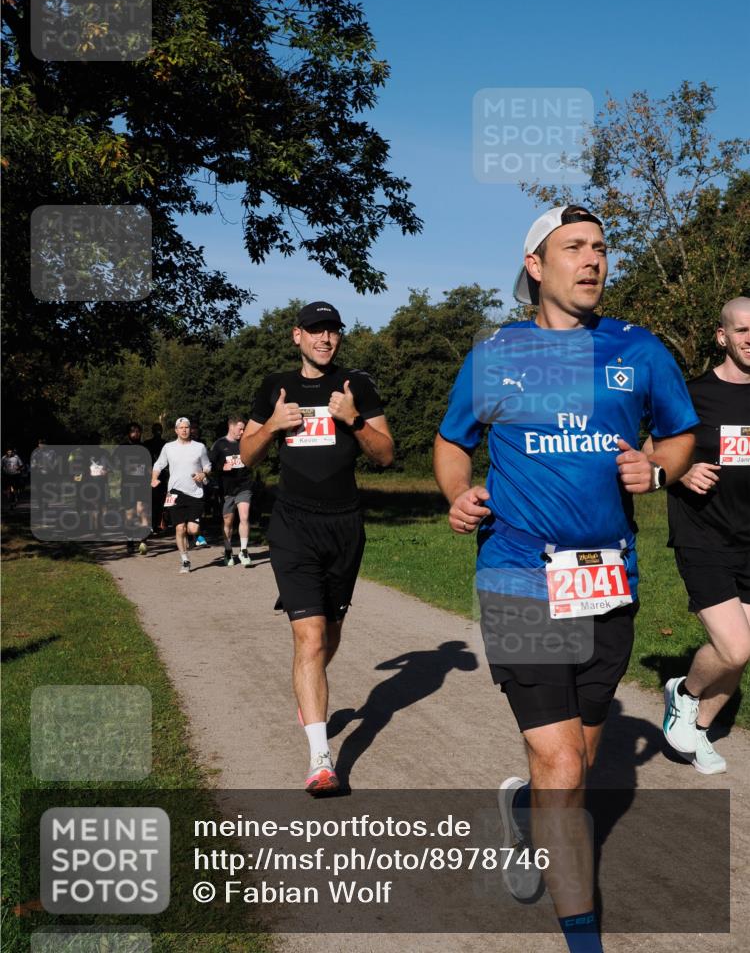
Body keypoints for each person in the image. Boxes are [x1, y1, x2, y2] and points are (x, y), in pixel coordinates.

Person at [433, 205, 697, 953]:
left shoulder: (638, 350)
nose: (593, 260)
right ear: (535, 267)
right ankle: (584, 942)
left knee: (574, 762)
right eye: (573, 248)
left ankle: (526, 818)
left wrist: (660, 466)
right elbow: (453, 441)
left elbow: (677, 433)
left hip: (608, 579)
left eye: (601, 248)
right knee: (556, 758)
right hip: (517, 574)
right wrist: (457, 491)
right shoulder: (495, 354)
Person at [240, 301, 394, 794]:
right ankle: (320, 758)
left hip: (344, 526)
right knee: (308, 640)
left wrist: (354, 420)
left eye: (332, 332)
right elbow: (245, 454)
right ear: (297, 336)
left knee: (328, 637)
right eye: (315, 332)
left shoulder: (357, 385)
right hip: (293, 525)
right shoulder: (274, 386)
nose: (325, 339)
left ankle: (309, 694)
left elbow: (387, 454)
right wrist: (271, 427)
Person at [661, 296, 750, 774]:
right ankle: (684, 692)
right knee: (736, 646)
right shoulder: (691, 395)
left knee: (739, 654)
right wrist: (683, 471)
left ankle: (697, 732)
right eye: (741, 330)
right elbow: (652, 453)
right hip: (704, 536)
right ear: (723, 337)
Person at [151, 417, 211, 574]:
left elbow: (207, 465)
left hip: (195, 492)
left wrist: (203, 473)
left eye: (187, 427)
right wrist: (154, 478)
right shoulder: (169, 447)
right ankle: (185, 560)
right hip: (175, 492)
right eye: (181, 427)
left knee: (192, 529)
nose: (184, 430)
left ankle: (192, 538)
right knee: (179, 528)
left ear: (190, 429)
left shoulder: (199, 447)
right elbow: (158, 464)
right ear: (176, 430)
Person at [210, 416, 253, 567]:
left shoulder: (245, 442)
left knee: (244, 516)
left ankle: (244, 551)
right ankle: (228, 550)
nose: (242, 432)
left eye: (244, 429)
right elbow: (210, 465)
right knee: (228, 521)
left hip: (244, 486)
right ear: (231, 426)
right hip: (227, 489)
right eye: (240, 428)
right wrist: (222, 468)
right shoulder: (219, 445)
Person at [118, 422, 150, 556]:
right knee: (130, 515)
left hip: (142, 485)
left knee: (142, 512)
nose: (135, 433)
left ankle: (143, 541)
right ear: (128, 433)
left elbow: (150, 466)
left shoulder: (145, 447)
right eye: (133, 431)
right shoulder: (122, 448)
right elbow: (114, 464)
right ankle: (129, 541)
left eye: (138, 431)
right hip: (128, 486)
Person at [145, 424, 167, 535]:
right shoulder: (147, 444)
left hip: (163, 475)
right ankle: (150, 525)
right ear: (152, 431)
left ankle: (158, 524)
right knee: (151, 501)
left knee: (161, 501)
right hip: (150, 475)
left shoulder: (166, 444)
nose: (158, 432)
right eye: (156, 430)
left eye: (160, 430)